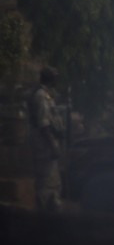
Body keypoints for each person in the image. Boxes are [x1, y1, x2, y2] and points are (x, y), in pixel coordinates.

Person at [28, 66, 65, 212]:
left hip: (47, 145)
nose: (56, 80)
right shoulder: (41, 96)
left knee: (53, 181)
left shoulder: (47, 94)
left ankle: (50, 214)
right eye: (54, 76)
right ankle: (43, 216)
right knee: (46, 183)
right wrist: (53, 146)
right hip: (44, 147)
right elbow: (44, 125)